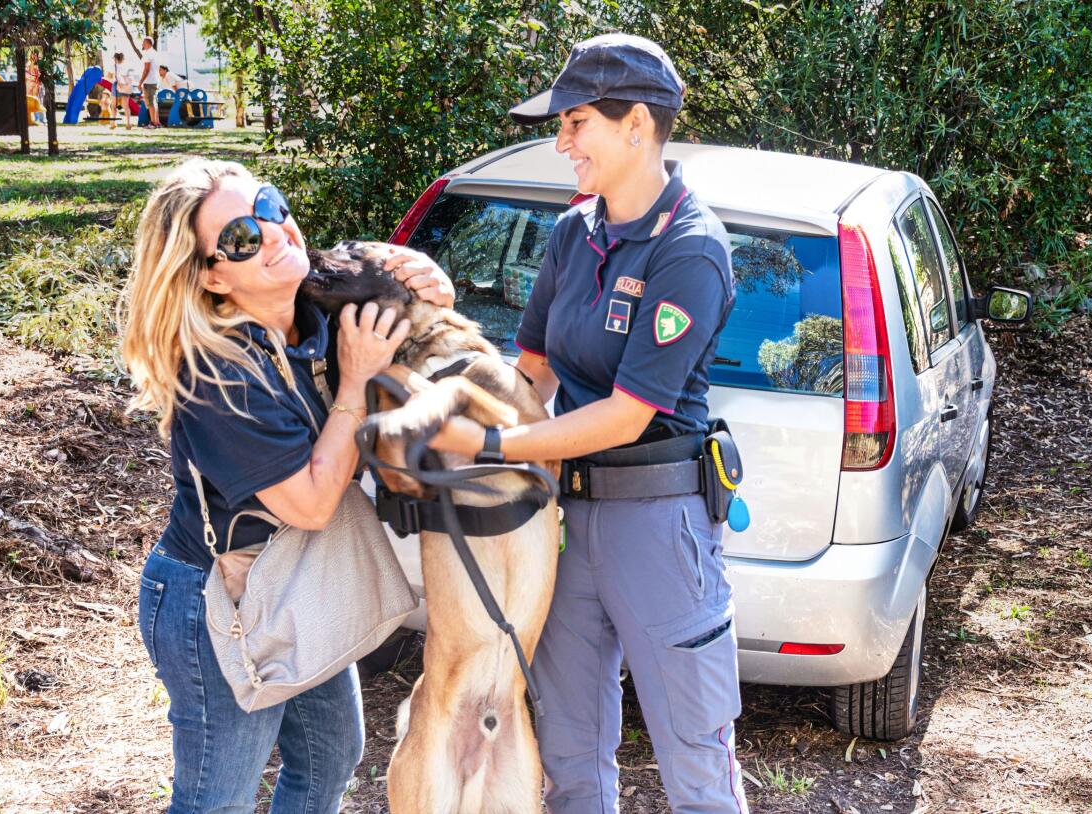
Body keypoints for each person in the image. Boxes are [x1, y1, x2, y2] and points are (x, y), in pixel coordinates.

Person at [430, 32, 750, 814]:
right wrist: (442, 377)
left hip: (660, 529)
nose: (561, 142)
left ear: (637, 125)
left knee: (698, 770)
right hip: (565, 523)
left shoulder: (691, 249)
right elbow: (532, 370)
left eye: (576, 123)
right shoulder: (574, 233)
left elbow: (625, 413)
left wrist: (493, 444)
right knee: (571, 760)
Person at [120, 158, 454, 813]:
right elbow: (308, 504)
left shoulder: (312, 304)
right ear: (212, 275)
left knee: (330, 760)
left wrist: (433, 292)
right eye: (244, 236)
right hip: (217, 601)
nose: (276, 233)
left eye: (271, 207)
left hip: (297, 579)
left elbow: (412, 333)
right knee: (218, 798)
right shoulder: (214, 377)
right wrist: (355, 381)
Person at [140, 36, 161, 128]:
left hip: (149, 81)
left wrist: (140, 82)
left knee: (150, 103)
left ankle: (152, 123)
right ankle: (157, 122)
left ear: (147, 43)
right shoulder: (155, 53)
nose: (142, 44)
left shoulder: (147, 54)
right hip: (155, 80)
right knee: (154, 102)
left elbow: (146, 69)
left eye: (143, 42)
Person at [111, 52, 134, 130]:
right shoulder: (126, 66)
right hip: (126, 86)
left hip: (117, 85)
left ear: (115, 58)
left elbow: (113, 76)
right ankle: (128, 123)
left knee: (114, 106)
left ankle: (113, 123)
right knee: (126, 106)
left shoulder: (115, 66)